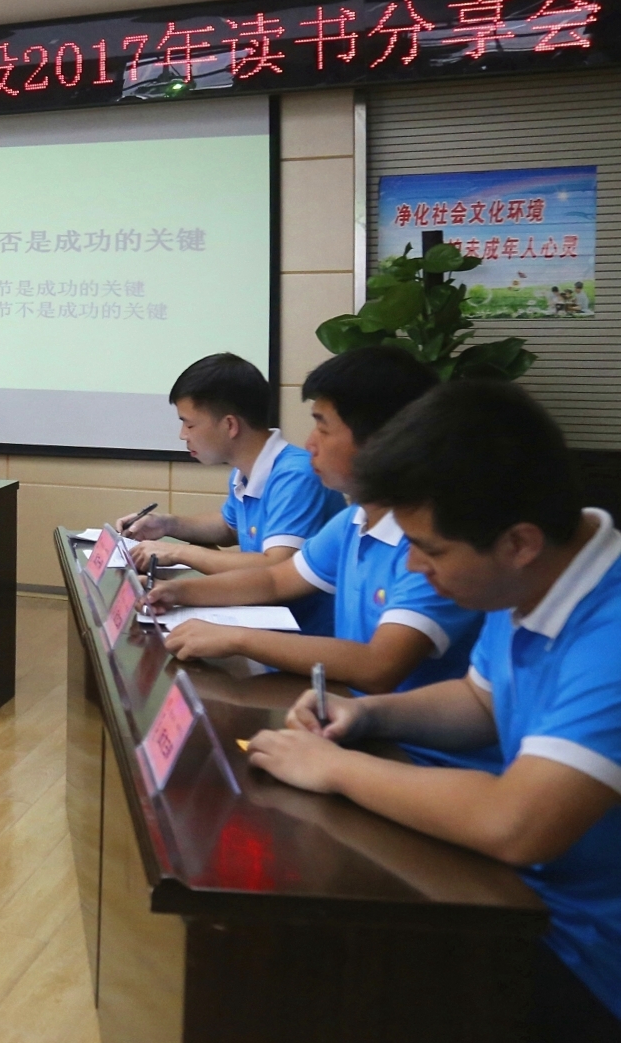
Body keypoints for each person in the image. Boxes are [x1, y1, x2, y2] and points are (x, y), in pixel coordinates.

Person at [246, 381, 621, 1039]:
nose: (415, 565)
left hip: (585, 955)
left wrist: (333, 768)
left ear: (520, 542)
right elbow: (481, 699)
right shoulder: (533, 576)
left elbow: (516, 822)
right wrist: (370, 716)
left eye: (433, 549)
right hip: (515, 896)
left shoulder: (608, 632)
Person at [152, 349, 481, 707]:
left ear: (383, 440)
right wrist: (178, 593)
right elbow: (275, 580)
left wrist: (236, 638)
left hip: (398, 733)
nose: (310, 444)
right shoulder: (353, 521)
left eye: (323, 428)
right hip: (349, 710)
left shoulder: (436, 546)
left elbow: (379, 666)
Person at [119, 353, 343, 622]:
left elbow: (277, 566)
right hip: (263, 617)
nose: (183, 435)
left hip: (304, 632)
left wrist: (178, 552)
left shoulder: (296, 476)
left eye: (189, 424)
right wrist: (167, 524)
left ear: (230, 425)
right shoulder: (246, 470)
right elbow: (230, 527)